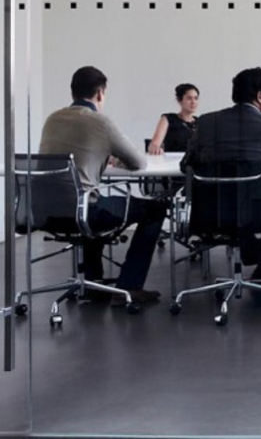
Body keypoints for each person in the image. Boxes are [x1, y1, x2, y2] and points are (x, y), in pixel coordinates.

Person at [37, 66, 166, 306]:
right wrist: (113, 156)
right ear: (100, 94)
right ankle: (129, 287)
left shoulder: (52, 119)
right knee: (155, 209)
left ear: (72, 92)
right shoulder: (100, 122)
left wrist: (103, 156)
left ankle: (93, 283)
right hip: (84, 210)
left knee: (91, 203)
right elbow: (138, 162)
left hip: (46, 209)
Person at [181, 67, 261, 280]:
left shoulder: (207, 123)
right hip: (260, 216)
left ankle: (254, 257)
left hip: (212, 214)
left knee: (241, 207)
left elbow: (186, 165)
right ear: (260, 96)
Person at [147, 83, 199, 154]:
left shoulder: (200, 122)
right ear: (179, 100)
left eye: (196, 98)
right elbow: (154, 144)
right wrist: (155, 147)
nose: (193, 102)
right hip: (172, 162)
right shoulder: (168, 119)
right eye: (189, 98)